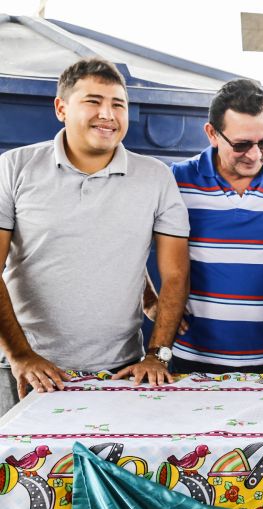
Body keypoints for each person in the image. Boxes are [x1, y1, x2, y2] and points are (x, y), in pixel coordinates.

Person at [0, 58, 190, 414]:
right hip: (23, 371)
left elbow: (176, 273)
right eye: (93, 101)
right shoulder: (14, 168)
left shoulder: (156, 177)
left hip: (122, 371)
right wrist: (21, 355)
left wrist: (158, 355)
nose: (108, 114)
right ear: (61, 108)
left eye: (118, 104)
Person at [159, 79, 263, 374]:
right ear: (212, 133)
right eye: (241, 145)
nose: (254, 155)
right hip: (191, 353)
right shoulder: (177, 181)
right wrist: (149, 299)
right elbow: (129, 240)